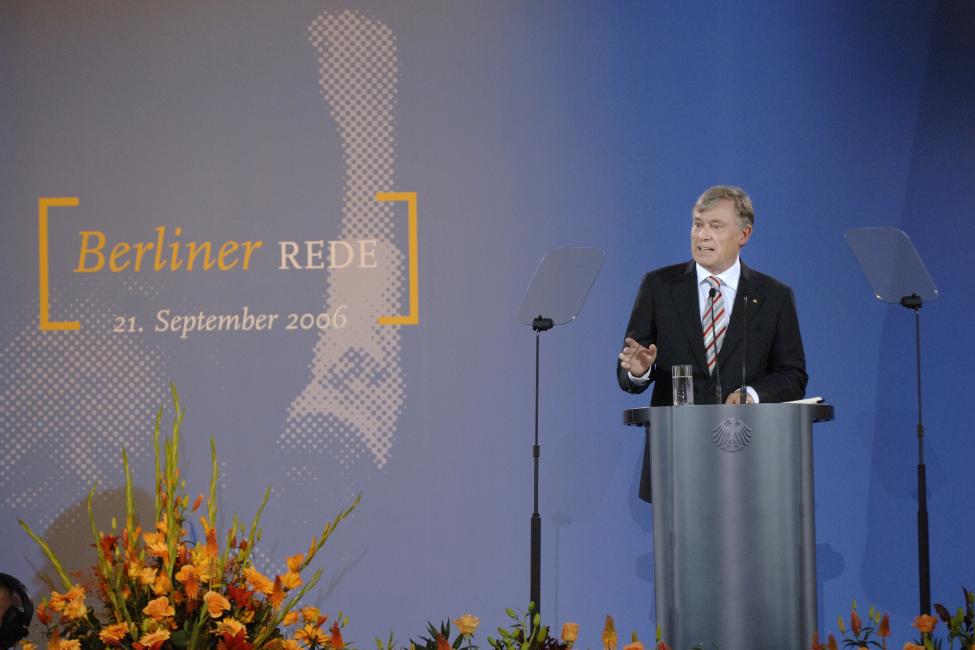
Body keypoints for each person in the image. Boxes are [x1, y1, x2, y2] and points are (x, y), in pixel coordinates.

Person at [617, 186, 807, 501]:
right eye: (697, 224)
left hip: (749, 458)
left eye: (715, 226)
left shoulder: (774, 296)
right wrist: (639, 371)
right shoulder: (659, 287)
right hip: (677, 459)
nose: (702, 235)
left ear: (743, 234)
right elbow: (627, 374)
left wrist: (753, 394)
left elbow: (793, 375)